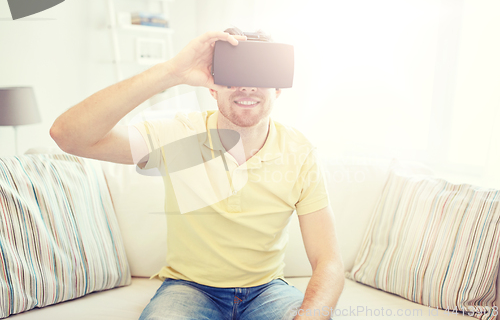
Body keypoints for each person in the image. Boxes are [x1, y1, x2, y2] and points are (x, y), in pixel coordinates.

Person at [50, 28, 345, 320]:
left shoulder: (300, 151)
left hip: (266, 291)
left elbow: (329, 261)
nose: (247, 86)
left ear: (278, 87)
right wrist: (171, 72)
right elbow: (68, 135)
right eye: (235, 74)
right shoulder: (178, 134)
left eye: (260, 74)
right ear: (212, 87)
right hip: (188, 290)